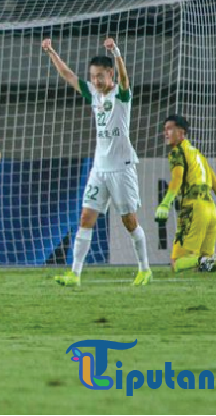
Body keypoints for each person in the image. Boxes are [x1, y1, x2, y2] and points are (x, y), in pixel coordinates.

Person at [43, 37, 152, 287]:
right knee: (85, 218)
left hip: (122, 168)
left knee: (129, 221)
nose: (95, 80)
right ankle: (75, 274)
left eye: (100, 76)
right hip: (99, 169)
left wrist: (116, 52)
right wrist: (51, 52)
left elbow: (125, 79)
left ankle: (145, 268)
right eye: (92, 76)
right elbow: (68, 75)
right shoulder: (93, 93)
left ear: (110, 74)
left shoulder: (121, 95)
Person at [155, 115, 216, 273]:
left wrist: (165, 203)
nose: (165, 133)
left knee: (177, 263)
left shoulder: (178, 152)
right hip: (211, 210)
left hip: (194, 208)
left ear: (181, 132)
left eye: (169, 129)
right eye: (164, 130)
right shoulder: (199, 155)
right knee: (203, 265)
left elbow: (177, 178)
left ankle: (211, 259)